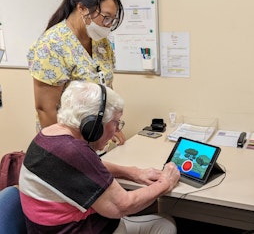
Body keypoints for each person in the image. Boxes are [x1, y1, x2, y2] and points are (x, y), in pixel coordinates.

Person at [19, 81, 180, 233]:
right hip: (91, 228)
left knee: (163, 222)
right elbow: (123, 206)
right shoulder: (74, 151)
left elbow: (90, 166)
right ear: (94, 125)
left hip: (74, 226)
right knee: (166, 226)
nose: (117, 130)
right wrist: (166, 182)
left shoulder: (50, 136)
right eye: (116, 122)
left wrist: (134, 172)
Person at [27, 0, 126, 145]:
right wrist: (66, 150)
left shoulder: (101, 43)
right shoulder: (52, 45)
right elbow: (46, 109)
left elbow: (106, 87)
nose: (108, 25)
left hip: (97, 137)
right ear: (82, 8)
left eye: (112, 20)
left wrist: (113, 127)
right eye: (106, 18)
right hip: (67, 143)